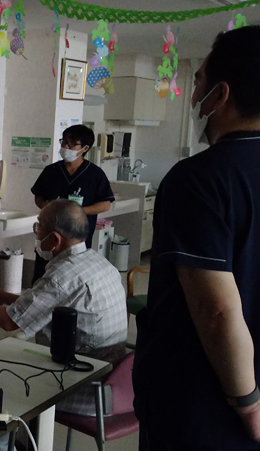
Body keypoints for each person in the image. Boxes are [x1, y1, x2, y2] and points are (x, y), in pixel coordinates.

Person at [133, 26, 260, 451]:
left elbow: (216, 310)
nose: (192, 96)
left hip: (208, 405)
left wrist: (247, 403)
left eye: (198, 82)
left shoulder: (200, 180)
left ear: (219, 95)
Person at [0, 199, 127, 416]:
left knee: (0, 379)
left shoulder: (61, 277)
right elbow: (48, 303)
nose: (37, 233)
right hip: (117, 383)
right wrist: (6, 296)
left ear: (55, 239)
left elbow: (9, 322)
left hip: (87, 388)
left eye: (39, 226)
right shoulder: (98, 261)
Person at [30, 124, 114, 283]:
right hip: (49, 237)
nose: (66, 147)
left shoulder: (94, 174)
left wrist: (75, 212)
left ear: (85, 148)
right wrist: (48, 208)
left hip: (77, 239)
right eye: (64, 142)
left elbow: (105, 204)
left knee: (70, 278)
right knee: (42, 277)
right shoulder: (51, 171)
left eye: (72, 144)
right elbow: (38, 196)